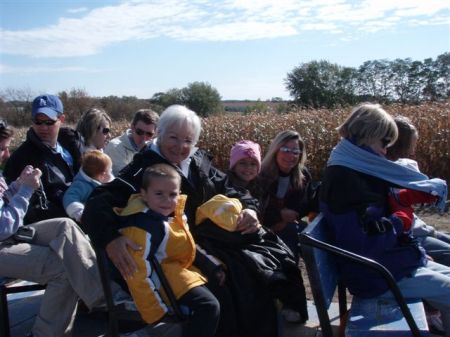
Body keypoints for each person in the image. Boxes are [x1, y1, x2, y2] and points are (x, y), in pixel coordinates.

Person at [83, 105, 260, 337]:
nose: (180, 146)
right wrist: (110, 239)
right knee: (232, 279)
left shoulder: (197, 161)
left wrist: (250, 209)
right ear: (160, 133)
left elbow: (229, 187)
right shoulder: (145, 169)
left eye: (188, 140)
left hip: (202, 243)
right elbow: (97, 203)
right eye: (173, 138)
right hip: (169, 255)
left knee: (261, 261)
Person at [319, 103, 450, 336]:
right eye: (384, 143)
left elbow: (372, 223)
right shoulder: (345, 179)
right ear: (369, 136)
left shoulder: (353, 168)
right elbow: (362, 243)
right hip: (377, 276)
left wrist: (413, 248)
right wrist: (401, 221)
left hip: (388, 265)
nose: (385, 151)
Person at [0, 120, 105, 337]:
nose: (6, 154)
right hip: (4, 240)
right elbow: (4, 226)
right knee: (64, 268)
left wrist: (18, 184)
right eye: (2, 148)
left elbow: (5, 202)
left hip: (13, 234)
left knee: (65, 226)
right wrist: (26, 191)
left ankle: (103, 296)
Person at [194, 140, 309, 334]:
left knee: (286, 244)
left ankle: (287, 302)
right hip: (237, 235)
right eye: (242, 163)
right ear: (233, 165)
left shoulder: (262, 183)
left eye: (253, 163)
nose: (248, 168)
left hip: (259, 228)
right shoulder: (227, 184)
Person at [117, 163, 220, 337]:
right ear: (144, 194)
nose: (167, 200)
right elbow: (137, 271)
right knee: (209, 306)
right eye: (159, 194)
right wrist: (155, 310)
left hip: (177, 272)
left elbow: (189, 245)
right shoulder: (143, 225)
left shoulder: (170, 215)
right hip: (163, 279)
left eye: (173, 194)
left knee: (222, 291)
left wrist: (214, 266)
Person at [3, 94, 83, 224]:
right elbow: (29, 208)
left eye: (49, 122)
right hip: (61, 222)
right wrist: (74, 213)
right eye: (38, 122)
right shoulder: (22, 157)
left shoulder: (73, 144)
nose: (43, 127)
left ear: (61, 119)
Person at [386, 116, 450, 267]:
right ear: (401, 144)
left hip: (420, 230)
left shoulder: (399, 168)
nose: (413, 151)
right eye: (412, 145)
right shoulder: (393, 171)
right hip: (413, 235)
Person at [257, 130, 320, 260]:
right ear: (276, 149)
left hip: (288, 226)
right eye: (285, 149)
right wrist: (279, 215)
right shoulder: (261, 175)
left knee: (309, 236)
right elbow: (254, 205)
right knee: (291, 232)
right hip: (262, 226)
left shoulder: (303, 176)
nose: (290, 155)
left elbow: (303, 207)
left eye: (295, 151)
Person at [63, 150, 114, 223]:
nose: (111, 173)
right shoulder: (81, 185)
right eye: (110, 170)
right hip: (91, 220)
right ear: (102, 176)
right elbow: (69, 197)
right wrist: (79, 213)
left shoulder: (104, 181)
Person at [105, 109, 159, 175]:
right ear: (132, 127)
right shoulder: (115, 147)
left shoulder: (153, 148)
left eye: (149, 134)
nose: (144, 137)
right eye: (140, 132)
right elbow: (123, 178)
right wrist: (143, 153)